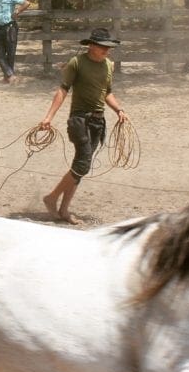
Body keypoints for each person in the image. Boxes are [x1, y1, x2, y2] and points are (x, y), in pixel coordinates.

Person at [38, 27, 129, 224]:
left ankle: (63, 210)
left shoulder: (108, 65)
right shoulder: (76, 63)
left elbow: (107, 92)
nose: (107, 50)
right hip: (79, 119)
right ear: (92, 46)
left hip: (98, 121)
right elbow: (63, 90)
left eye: (109, 46)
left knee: (81, 165)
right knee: (83, 163)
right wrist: (49, 117)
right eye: (103, 46)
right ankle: (51, 198)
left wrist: (118, 110)